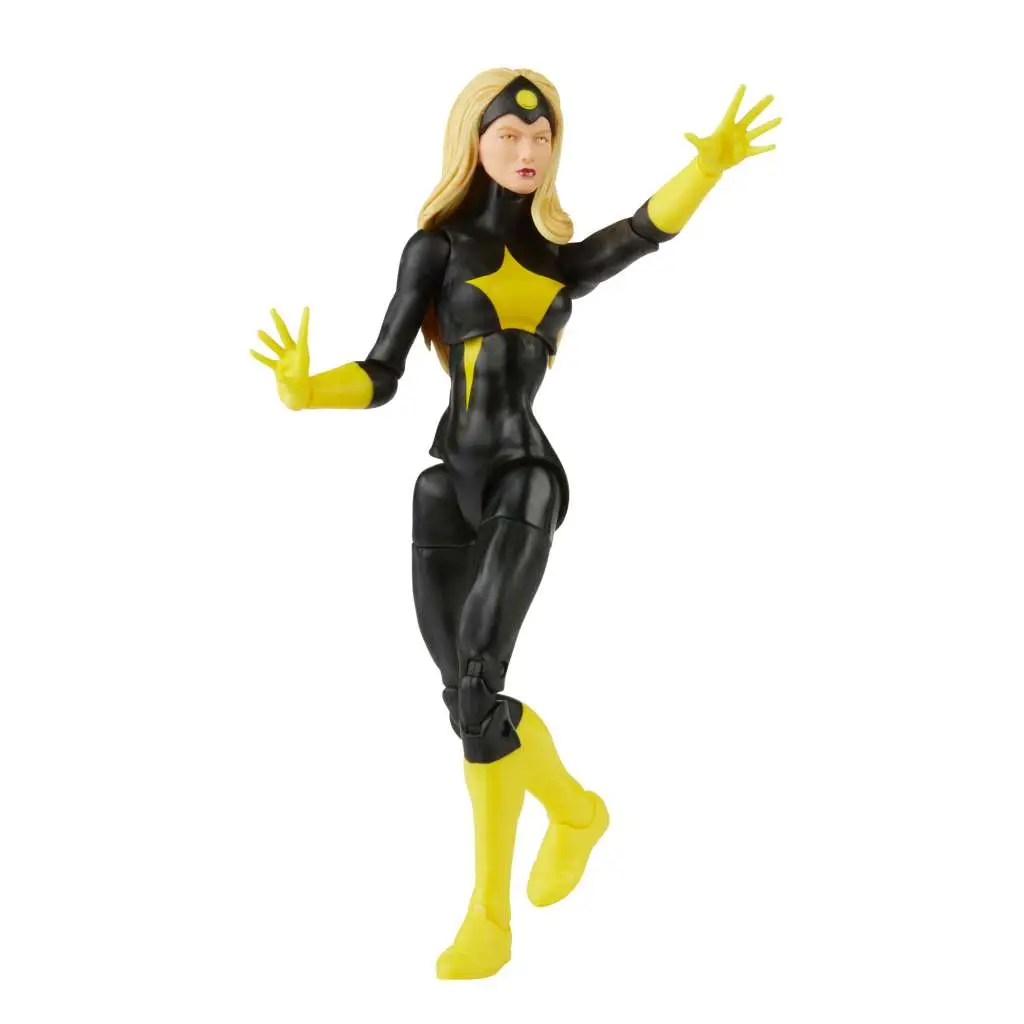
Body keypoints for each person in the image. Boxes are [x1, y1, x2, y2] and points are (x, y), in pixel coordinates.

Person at [251, 67, 780, 979]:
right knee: (468, 704)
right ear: (476, 141)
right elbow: (381, 374)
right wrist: (307, 391)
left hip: (523, 478)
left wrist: (709, 168)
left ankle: (488, 916)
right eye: (510, 135)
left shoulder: (557, 261)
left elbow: (642, 232)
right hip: (442, 489)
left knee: (477, 683)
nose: (529, 149)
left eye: (542, 137)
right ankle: (575, 811)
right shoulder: (434, 247)